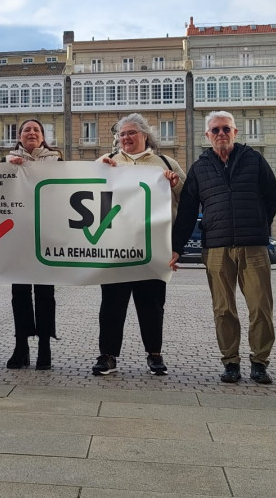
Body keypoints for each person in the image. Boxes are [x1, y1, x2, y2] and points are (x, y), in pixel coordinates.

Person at [171, 111, 276, 385]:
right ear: (207, 136)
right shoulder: (200, 167)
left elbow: (272, 197)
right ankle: (230, 362)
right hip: (217, 248)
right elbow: (186, 212)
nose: (221, 134)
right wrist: (176, 248)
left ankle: (259, 362)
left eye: (225, 129)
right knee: (223, 309)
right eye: (215, 130)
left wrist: (258, 226)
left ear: (235, 132)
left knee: (260, 308)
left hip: (253, 247)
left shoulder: (254, 160)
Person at [93, 113, 185, 377]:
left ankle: (154, 354)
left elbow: (187, 198)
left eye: (131, 132)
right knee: (111, 304)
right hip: (115, 248)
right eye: (122, 134)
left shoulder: (165, 163)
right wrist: (100, 170)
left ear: (146, 135)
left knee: (152, 304)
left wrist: (174, 184)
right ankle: (107, 355)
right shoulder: (107, 162)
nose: (126, 138)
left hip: (152, 248)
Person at [4, 119, 61, 370]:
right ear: (19, 136)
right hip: (17, 235)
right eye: (27, 129)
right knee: (20, 294)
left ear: (43, 136)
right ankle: (21, 345)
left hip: (46, 234)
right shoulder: (6, 161)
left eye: (36, 130)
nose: (31, 133)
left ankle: (45, 347)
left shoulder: (56, 160)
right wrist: (11, 168)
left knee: (45, 294)